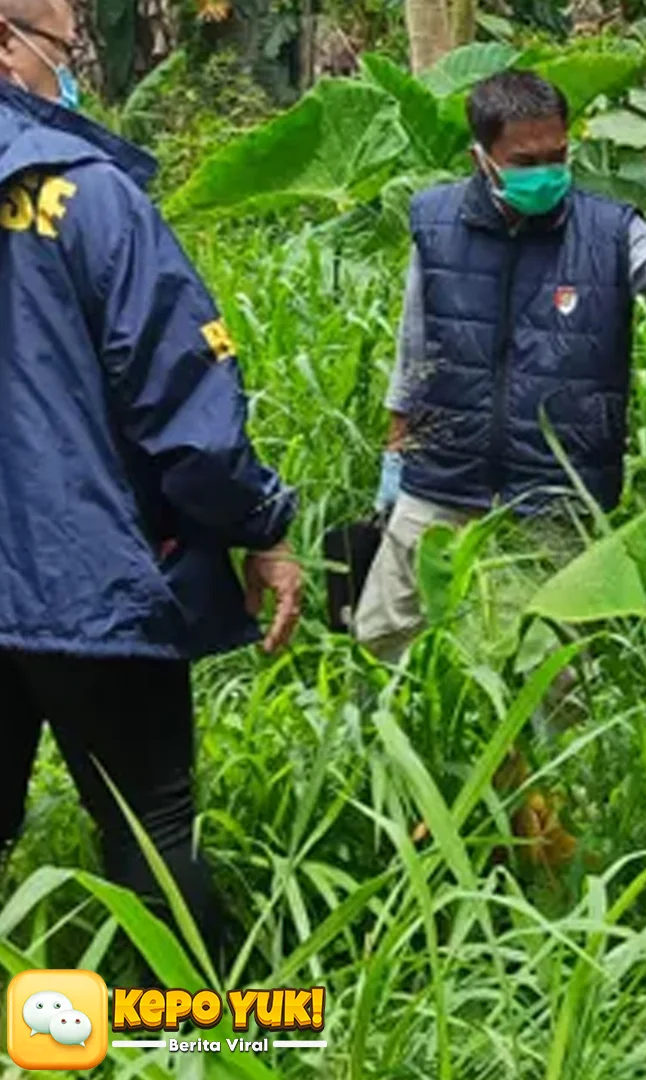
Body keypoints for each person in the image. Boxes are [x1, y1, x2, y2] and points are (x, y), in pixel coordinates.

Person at [0, 0, 302, 963]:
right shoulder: (88, 199)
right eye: (63, 45)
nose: (72, 67)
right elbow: (189, 416)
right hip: (82, 575)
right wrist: (263, 524)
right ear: (7, 43)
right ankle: (200, 1031)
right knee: (152, 830)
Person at [354, 69, 646, 658]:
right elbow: (414, 350)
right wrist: (395, 459)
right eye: (526, 161)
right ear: (483, 157)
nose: (547, 172)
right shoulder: (435, 224)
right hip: (442, 473)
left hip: (555, 487)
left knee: (541, 665)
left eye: (558, 156)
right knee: (383, 637)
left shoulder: (608, 232)